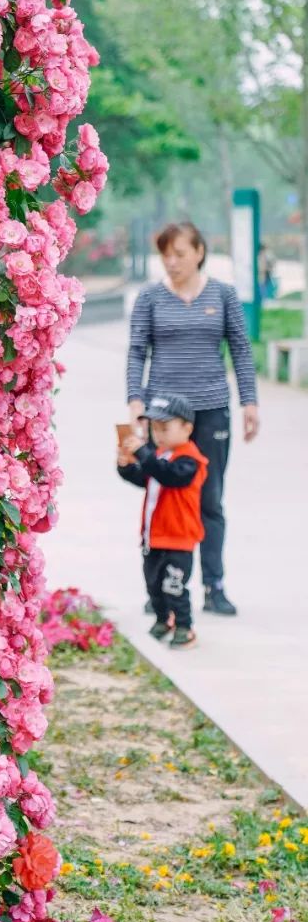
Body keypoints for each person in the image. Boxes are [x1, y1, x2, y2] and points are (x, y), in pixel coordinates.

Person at [126, 220, 259, 618]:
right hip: (163, 414)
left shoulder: (223, 295)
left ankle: (213, 586)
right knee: (161, 496)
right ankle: (161, 589)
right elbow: (137, 352)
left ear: (199, 251)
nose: (172, 262)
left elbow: (240, 348)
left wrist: (249, 402)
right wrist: (135, 399)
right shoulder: (149, 298)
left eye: (179, 254)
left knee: (209, 499)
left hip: (211, 409)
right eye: (166, 254)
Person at [117, 391, 207, 647]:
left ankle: (184, 627)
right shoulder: (159, 456)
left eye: (165, 428)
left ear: (187, 428)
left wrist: (145, 454)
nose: (158, 434)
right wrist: (125, 466)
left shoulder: (191, 460)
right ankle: (162, 619)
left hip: (179, 537)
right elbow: (144, 478)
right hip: (153, 536)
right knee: (154, 584)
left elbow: (169, 476)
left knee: (174, 585)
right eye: (154, 428)